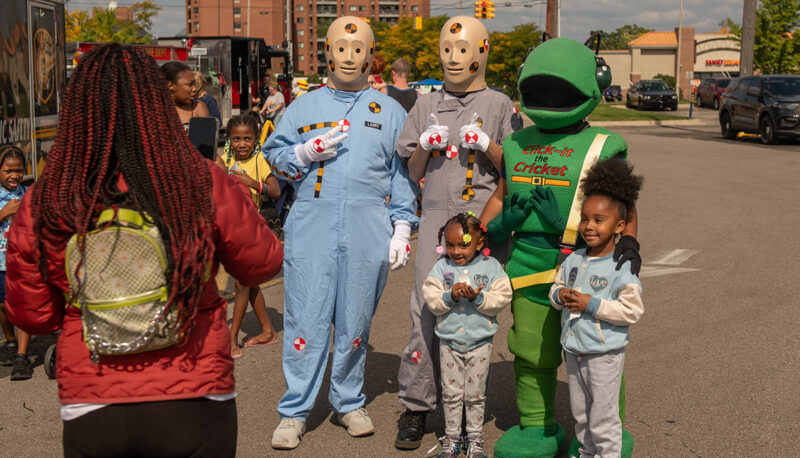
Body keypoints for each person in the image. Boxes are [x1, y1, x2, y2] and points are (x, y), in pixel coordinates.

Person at [5, 44, 282, 456]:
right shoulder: (198, 179)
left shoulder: (51, 196)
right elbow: (262, 262)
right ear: (158, 103)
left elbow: (34, 314)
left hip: (92, 396)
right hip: (195, 389)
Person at [263, 17, 418, 450]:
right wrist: (300, 152)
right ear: (327, 53)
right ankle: (294, 410)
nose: (350, 57)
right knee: (305, 319)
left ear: (371, 56)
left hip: (369, 226)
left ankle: (348, 400)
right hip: (311, 224)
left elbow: (400, 173)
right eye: (341, 48)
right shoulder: (302, 107)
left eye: (359, 49)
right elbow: (273, 154)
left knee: (355, 319)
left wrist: (402, 225)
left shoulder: (389, 111)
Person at [484, 36, 641, 458]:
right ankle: (537, 427)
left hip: (589, 265)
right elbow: (501, 195)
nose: (550, 96)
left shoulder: (604, 146)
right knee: (532, 350)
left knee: (598, 350)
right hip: (528, 264)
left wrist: (628, 243)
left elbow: (623, 203)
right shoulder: (516, 143)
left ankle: (605, 433)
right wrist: (480, 231)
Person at [394, 16, 522, 451]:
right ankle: (417, 404)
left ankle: (470, 408)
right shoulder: (424, 103)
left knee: (477, 309)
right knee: (425, 311)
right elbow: (413, 170)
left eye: (463, 49)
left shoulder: (500, 104)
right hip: (435, 220)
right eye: (447, 49)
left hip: (480, 221)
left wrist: (487, 144)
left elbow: (515, 169)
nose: (453, 58)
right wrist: (426, 148)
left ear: (481, 52)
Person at [549, 157, 643, 457]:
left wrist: (593, 304)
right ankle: (587, 453)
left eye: (598, 220)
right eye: (585, 218)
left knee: (603, 418)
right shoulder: (574, 258)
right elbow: (555, 287)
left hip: (604, 354)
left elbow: (632, 311)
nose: (589, 226)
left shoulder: (621, 266)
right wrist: (559, 295)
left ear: (618, 226)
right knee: (582, 415)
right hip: (575, 351)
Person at [422, 212, 512, 458]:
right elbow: (430, 296)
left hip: (480, 343)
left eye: (464, 245)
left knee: (475, 395)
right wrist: (450, 296)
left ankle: (474, 438)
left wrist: (479, 297)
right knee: (450, 393)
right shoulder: (442, 267)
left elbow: (504, 295)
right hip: (449, 342)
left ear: (480, 243)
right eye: (450, 245)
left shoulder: (491, 267)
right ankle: (451, 438)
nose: (456, 251)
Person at [218, 114, 282, 359]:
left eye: (247, 138)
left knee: (241, 285)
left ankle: (232, 339)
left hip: (252, 231)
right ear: (229, 140)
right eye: (236, 139)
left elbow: (275, 190)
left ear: (256, 140)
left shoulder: (259, 160)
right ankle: (267, 330)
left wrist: (253, 183)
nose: (241, 144)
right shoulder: (225, 160)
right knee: (249, 283)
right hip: (231, 229)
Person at [0, 146, 31, 380]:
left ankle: (22, 356)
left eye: (19, 170)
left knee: (22, 307)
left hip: (22, 261)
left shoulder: (29, 193)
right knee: (3, 306)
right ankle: (10, 341)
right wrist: (4, 213)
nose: (14, 176)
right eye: (8, 170)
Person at [161, 61, 209, 132]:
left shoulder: (199, 107)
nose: (194, 89)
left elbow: (207, 139)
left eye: (194, 83)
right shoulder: (155, 110)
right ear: (170, 85)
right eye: (189, 84)